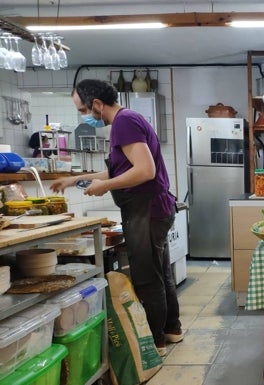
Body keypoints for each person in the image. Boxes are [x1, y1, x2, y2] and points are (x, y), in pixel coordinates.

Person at [50, 79, 182, 356]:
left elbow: (144, 171)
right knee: (160, 274)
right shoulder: (128, 121)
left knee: (147, 278)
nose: (85, 116)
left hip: (147, 210)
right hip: (152, 208)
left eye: (83, 110)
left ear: (98, 104)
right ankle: (171, 329)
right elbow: (119, 171)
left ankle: (155, 341)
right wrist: (76, 180)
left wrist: (103, 187)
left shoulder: (125, 122)